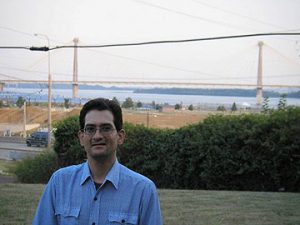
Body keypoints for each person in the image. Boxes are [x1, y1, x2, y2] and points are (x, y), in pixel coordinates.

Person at [33, 98, 163, 225]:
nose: (97, 136)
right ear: (81, 138)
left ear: (120, 136)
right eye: (90, 129)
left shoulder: (143, 190)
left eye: (106, 128)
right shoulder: (59, 182)